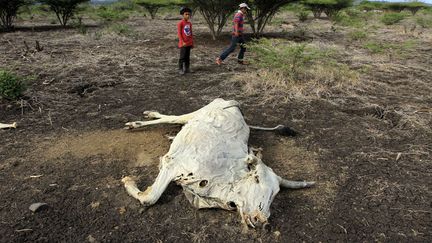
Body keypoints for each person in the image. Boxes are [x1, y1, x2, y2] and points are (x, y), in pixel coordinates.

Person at [177, 7, 193, 75]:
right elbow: (179, 34)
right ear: (183, 15)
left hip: (189, 43)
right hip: (183, 43)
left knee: (187, 57)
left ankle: (187, 68)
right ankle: (180, 69)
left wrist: (192, 42)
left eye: (189, 14)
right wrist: (182, 42)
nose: (188, 16)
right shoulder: (180, 23)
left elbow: (191, 33)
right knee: (182, 57)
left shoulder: (189, 23)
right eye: (186, 14)